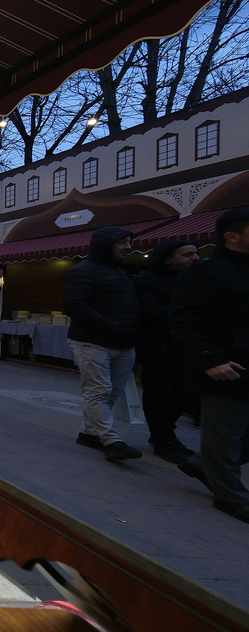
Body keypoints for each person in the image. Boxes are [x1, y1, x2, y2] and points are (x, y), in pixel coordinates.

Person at [171, 207, 249, 524]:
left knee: (235, 440)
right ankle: (231, 497)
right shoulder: (203, 272)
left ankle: (204, 464)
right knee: (224, 436)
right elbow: (184, 322)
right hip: (224, 366)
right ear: (232, 236)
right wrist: (210, 358)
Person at [62, 226, 142, 461]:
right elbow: (75, 306)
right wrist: (110, 326)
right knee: (98, 391)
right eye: (122, 242)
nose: (128, 247)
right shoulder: (83, 271)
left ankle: (88, 433)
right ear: (105, 245)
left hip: (123, 344)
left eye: (129, 241)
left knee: (112, 393)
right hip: (92, 342)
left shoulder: (119, 272)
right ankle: (112, 440)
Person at [133, 239, 201, 463]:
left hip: (188, 348)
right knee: (159, 395)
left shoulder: (196, 280)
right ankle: (164, 439)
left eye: (195, 253)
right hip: (159, 348)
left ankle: (165, 433)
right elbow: (151, 311)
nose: (195, 258)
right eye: (187, 254)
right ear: (167, 259)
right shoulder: (147, 281)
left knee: (183, 394)